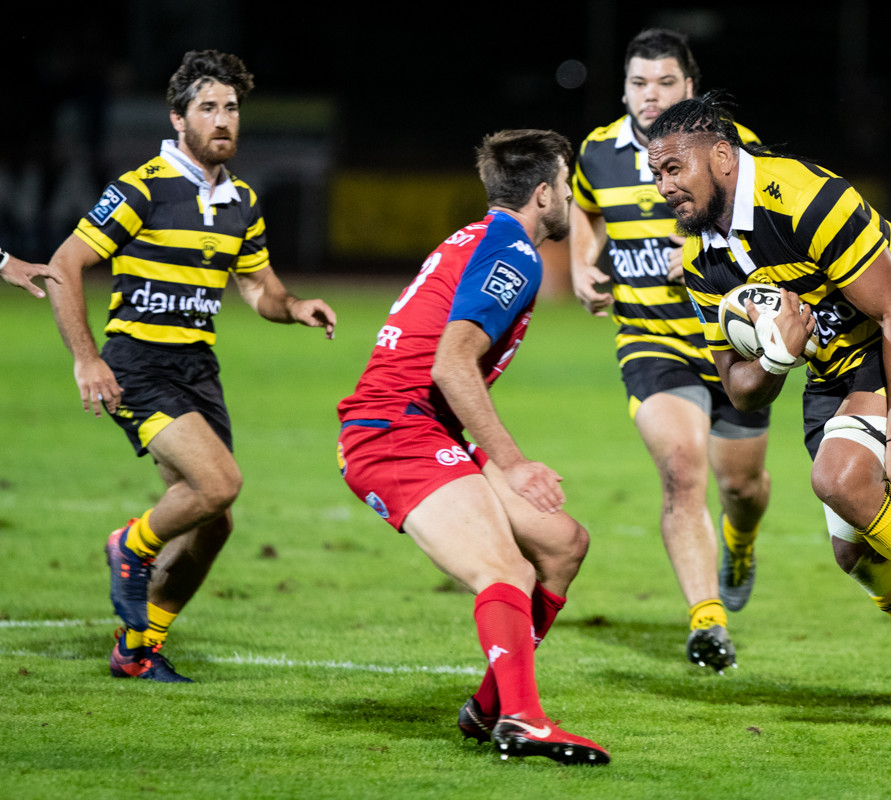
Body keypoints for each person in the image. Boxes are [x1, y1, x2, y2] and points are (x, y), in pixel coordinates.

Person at [645, 92, 891, 735]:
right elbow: (742, 389)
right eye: (655, 172)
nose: (662, 185)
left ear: (721, 156)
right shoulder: (701, 262)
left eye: (672, 168)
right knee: (858, 557)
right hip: (832, 371)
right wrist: (778, 357)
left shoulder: (806, 198)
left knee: (840, 477)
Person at [45, 50, 337, 683]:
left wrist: (295, 306)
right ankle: (131, 545)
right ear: (178, 118)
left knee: (215, 521)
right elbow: (64, 265)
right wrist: (86, 358)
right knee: (217, 485)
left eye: (231, 108)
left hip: (197, 368)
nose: (223, 120)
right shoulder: (141, 188)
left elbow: (260, 290)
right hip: (139, 363)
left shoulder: (242, 202)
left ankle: (139, 646)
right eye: (208, 108)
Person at [337, 129, 609, 766]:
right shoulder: (514, 253)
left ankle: (490, 706)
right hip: (393, 432)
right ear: (543, 195)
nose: (569, 196)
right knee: (506, 569)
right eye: (565, 186)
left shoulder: (481, 236)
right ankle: (523, 718)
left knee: (562, 544)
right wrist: (512, 464)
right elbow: (451, 364)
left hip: (422, 426)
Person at [570, 28, 770, 673]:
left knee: (741, 485)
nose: (649, 95)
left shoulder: (731, 150)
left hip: (735, 346)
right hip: (650, 339)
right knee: (683, 470)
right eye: (637, 83)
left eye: (664, 83)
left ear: (690, 86)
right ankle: (707, 623)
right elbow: (583, 209)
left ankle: (739, 540)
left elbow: (772, 225)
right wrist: (580, 265)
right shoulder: (599, 152)